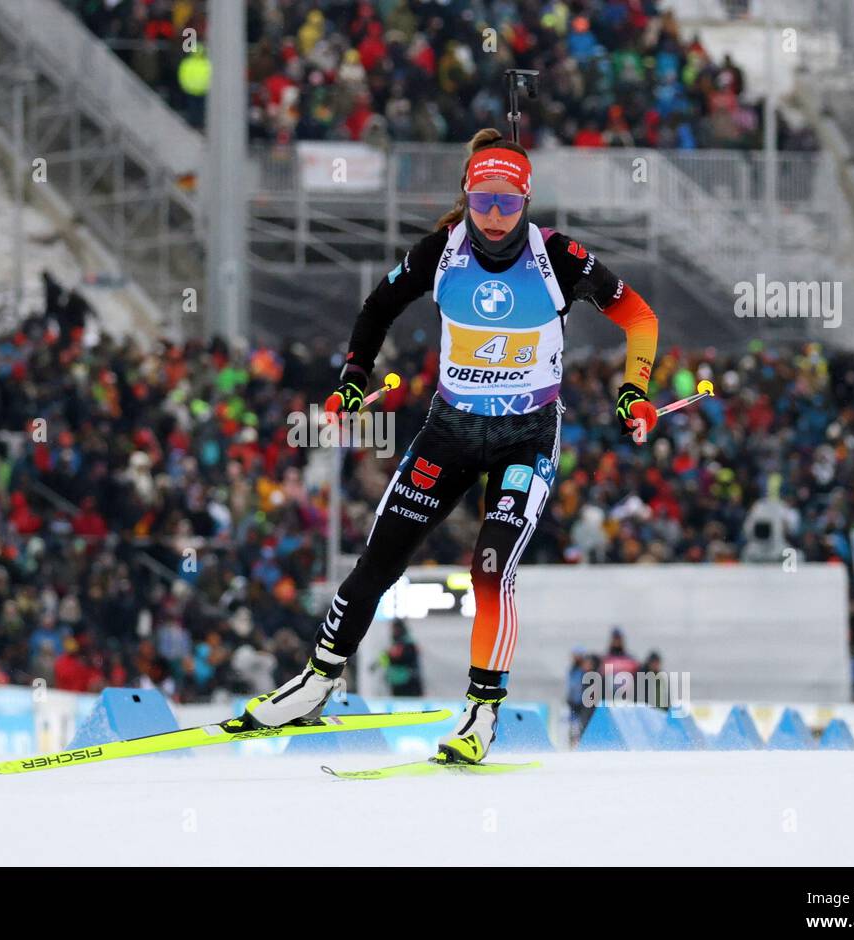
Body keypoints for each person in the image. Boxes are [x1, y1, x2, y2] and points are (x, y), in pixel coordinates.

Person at [241, 127, 661, 763]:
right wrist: (352, 383)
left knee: (490, 568)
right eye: (481, 202)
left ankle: (481, 713)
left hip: (527, 437)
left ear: (527, 201)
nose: (494, 218)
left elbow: (639, 317)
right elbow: (377, 308)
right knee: (379, 561)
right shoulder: (442, 250)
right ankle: (316, 682)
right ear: (466, 196)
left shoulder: (562, 258)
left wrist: (635, 390)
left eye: (508, 203)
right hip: (450, 430)